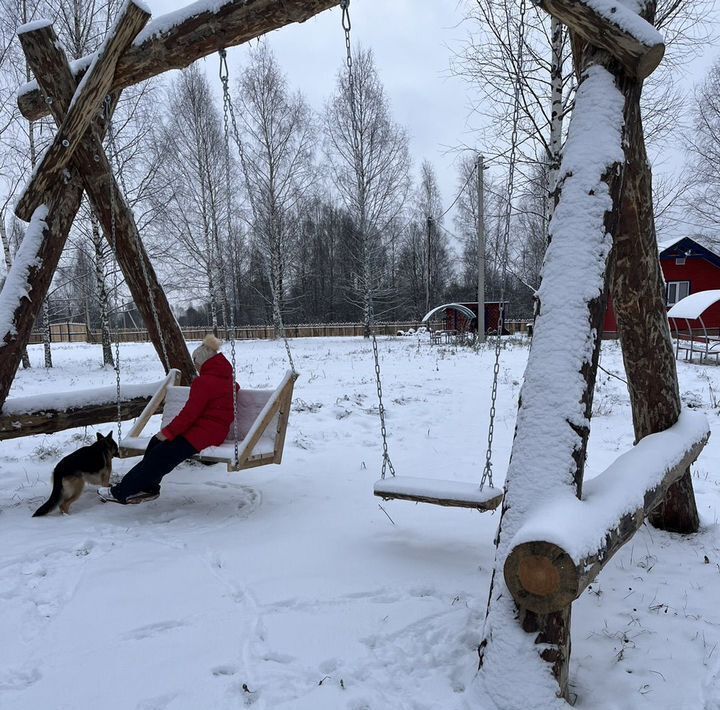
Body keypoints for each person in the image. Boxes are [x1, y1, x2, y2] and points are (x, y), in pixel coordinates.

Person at [98, 334, 238, 504]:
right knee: (155, 443)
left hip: (203, 433)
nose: (196, 367)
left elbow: (190, 414)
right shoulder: (227, 379)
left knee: (162, 454)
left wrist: (169, 432)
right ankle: (148, 488)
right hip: (212, 431)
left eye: (196, 364)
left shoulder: (204, 382)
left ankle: (122, 491)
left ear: (202, 362)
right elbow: (220, 401)